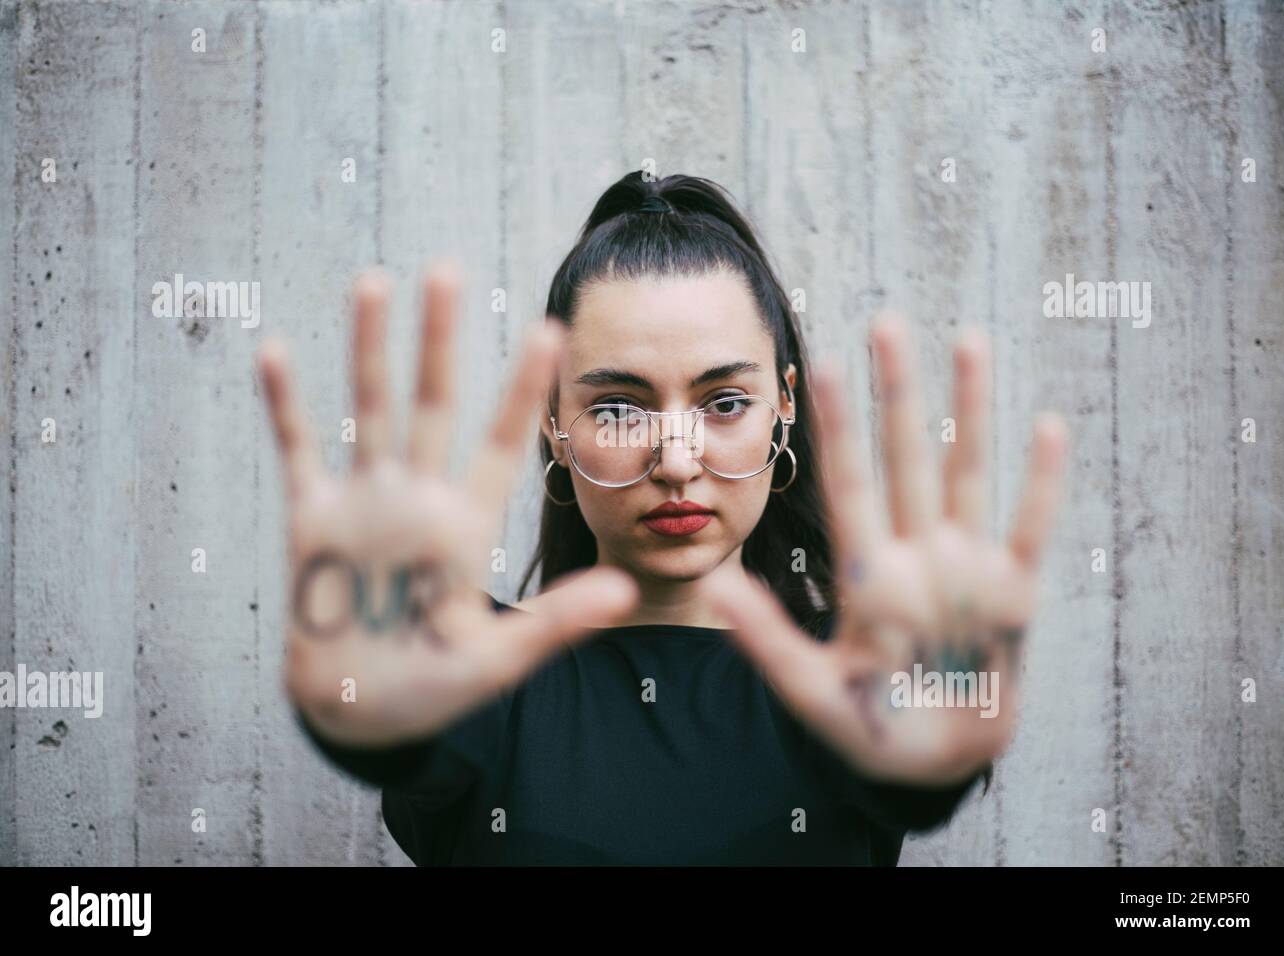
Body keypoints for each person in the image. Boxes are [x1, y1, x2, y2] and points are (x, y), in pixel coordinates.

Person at [255, 172, 1067, 865]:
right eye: (618, 407)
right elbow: (405, 729)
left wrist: (953, 682)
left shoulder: (850, 669)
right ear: (553, 422)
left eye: (724, 402)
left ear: (784, 406)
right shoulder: (477, 669)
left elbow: (916, 760)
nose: (676, 461)